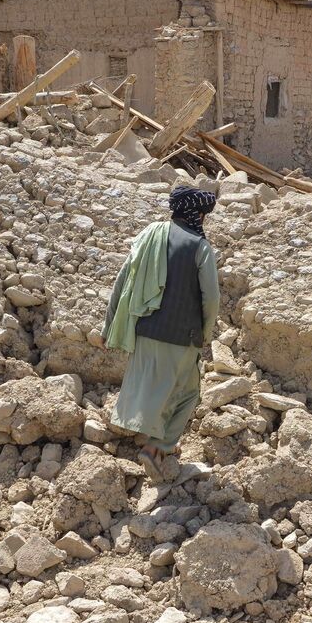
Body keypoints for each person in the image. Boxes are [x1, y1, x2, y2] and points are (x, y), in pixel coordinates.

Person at [100, 186, 220, 480]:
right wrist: (204, 333)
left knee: (158, 389)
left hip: (144, 330)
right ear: (197, 215)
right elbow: (212, 298)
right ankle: (156, 447)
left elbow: (123, 279)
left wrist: (109, 323)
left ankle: (153, 441)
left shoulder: (150, 234)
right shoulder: (199, 247)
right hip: (181, 336)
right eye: (203, 215)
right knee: (188, 392)